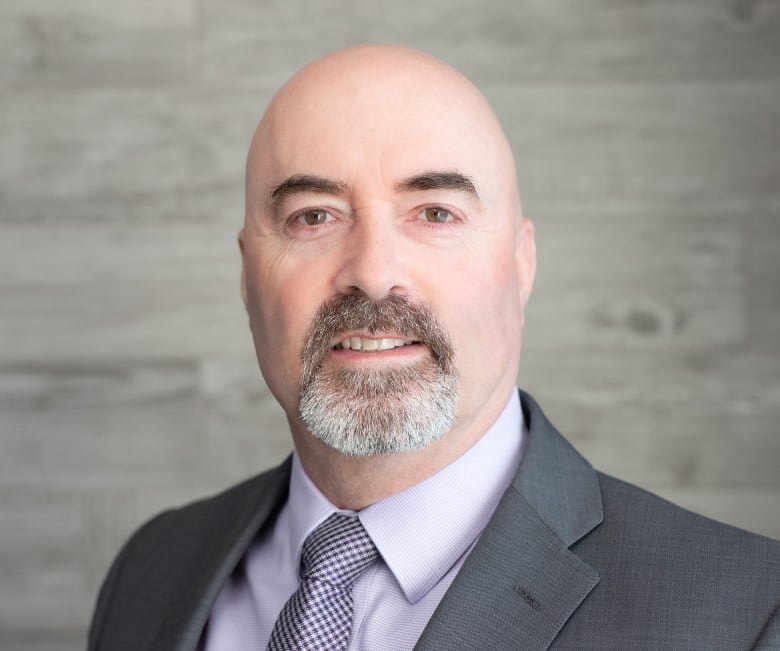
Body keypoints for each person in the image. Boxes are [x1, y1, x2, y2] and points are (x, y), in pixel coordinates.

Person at [88, 44, 780, 650]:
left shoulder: (745, 613)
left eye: (436, 212)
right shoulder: (153, 571)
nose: (373, 270)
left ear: (521, 263)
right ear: (248, 276)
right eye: (314, 216)